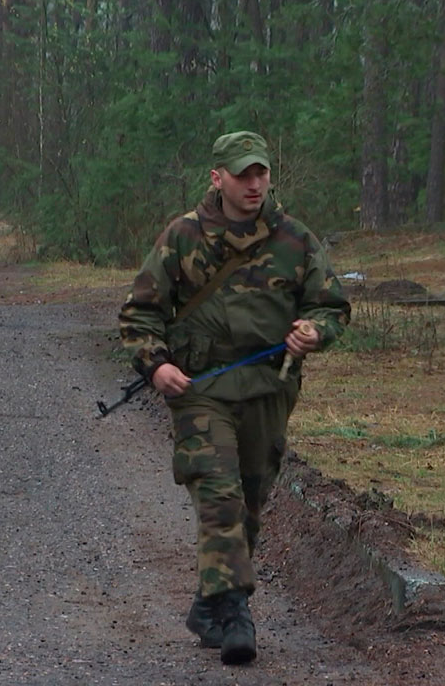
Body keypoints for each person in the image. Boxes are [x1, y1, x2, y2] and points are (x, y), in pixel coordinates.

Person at [118, 131, 350, 665]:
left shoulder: (295, 240)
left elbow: (331, 305)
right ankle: (234, 615)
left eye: (261, 173)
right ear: (216, 177)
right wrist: (158, 366)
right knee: (218, 496)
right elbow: (140, 313)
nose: (253, 184)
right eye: (243, 174)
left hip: (268, 391)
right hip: (201, 393)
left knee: (248, 504)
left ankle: (207, 603)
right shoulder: (182, 237)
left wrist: (315, 332)